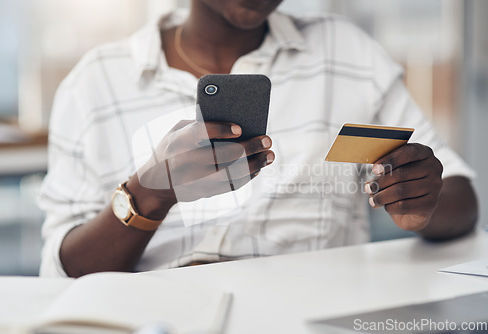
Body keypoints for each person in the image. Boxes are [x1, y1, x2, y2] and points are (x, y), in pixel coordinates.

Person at [39, 0, 478, 278]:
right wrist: (151, 194)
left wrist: (425, 200)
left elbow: (461, 197)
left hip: (315, 316)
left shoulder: (349, 54)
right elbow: (68, 270)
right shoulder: (96, 81)